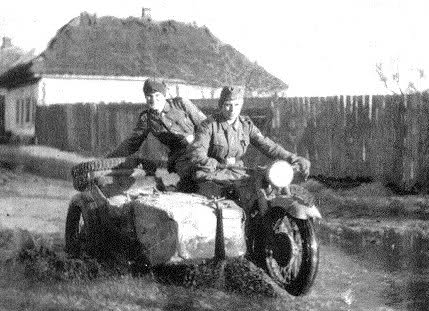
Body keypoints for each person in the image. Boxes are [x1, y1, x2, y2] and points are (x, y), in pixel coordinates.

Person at [183, 85, 310, 187]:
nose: (232, 109)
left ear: (241, 105)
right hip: (212, 174)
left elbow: (268, 146)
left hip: (237, 172)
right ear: (221, 105)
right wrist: (219, 164)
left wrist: (293, 159)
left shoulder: (246, 125)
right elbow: (197, 155)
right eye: (228, 105)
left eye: (237, 105)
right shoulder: (208, 125)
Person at [107, 79, 206, 173]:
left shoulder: (181, 104)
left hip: (201, 147)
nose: (153, 100)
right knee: (190, 171)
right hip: (180, 157)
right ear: (145, 97)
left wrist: (196, 139)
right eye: (149, 96)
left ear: (164, 95)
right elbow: (131, 144)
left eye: (157, 95)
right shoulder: (147, 118)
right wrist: (107, 161)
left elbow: (207, 125)